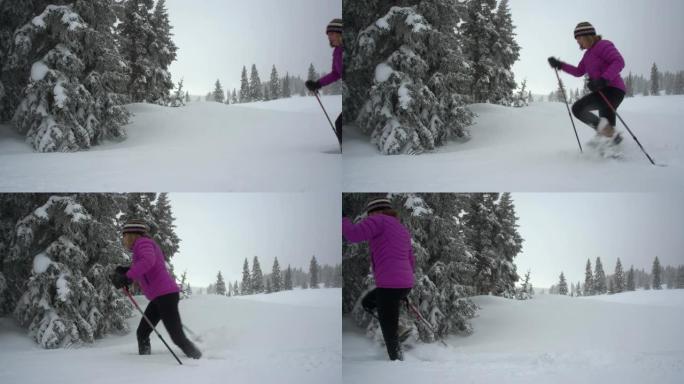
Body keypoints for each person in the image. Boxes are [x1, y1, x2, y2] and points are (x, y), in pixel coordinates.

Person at [111, 219, 201, 359]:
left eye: (124, 235)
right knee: (142, 332)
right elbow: (146, 266)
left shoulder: (143, 243)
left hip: (166, 296)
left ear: (131, 234)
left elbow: (148, 261)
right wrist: (125, 270)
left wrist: (128, 277)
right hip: (159, 298)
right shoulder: (141, 246)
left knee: (177, 337)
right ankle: (145, 361)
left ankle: (198, 358)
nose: (123, 239)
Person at [342, 198, 415, 361]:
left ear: (375, 211)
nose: (368, 218)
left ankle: (397, 363)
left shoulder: (378, 220)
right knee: (368, 302)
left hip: (389, 285)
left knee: (389, 332)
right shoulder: (401, 227)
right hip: (403, 283)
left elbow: (353, 235)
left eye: (369, 214)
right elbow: (411, 259)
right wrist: (405, 283)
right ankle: (399, 326)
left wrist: (342, 218)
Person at [548, 22, 626, 148]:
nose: (578, 42)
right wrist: (560, 65)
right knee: (606, 128)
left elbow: (619, 61)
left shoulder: (603, 45)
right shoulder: (587, 55)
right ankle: (612, 147)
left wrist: (603, 79)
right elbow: (578, 71)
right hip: (603, 91)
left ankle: (610, 136)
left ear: (586, 36)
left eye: (579, 38)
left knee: (578, 108)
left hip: (613, 90)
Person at [306, 18, 343, 147]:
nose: (329, 37)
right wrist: (317, 84)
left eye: (331, 34)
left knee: (341, 124)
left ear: (340, 33)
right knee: (340, 124)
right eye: (328, 35)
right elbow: (335, 74)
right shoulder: (337, 51)